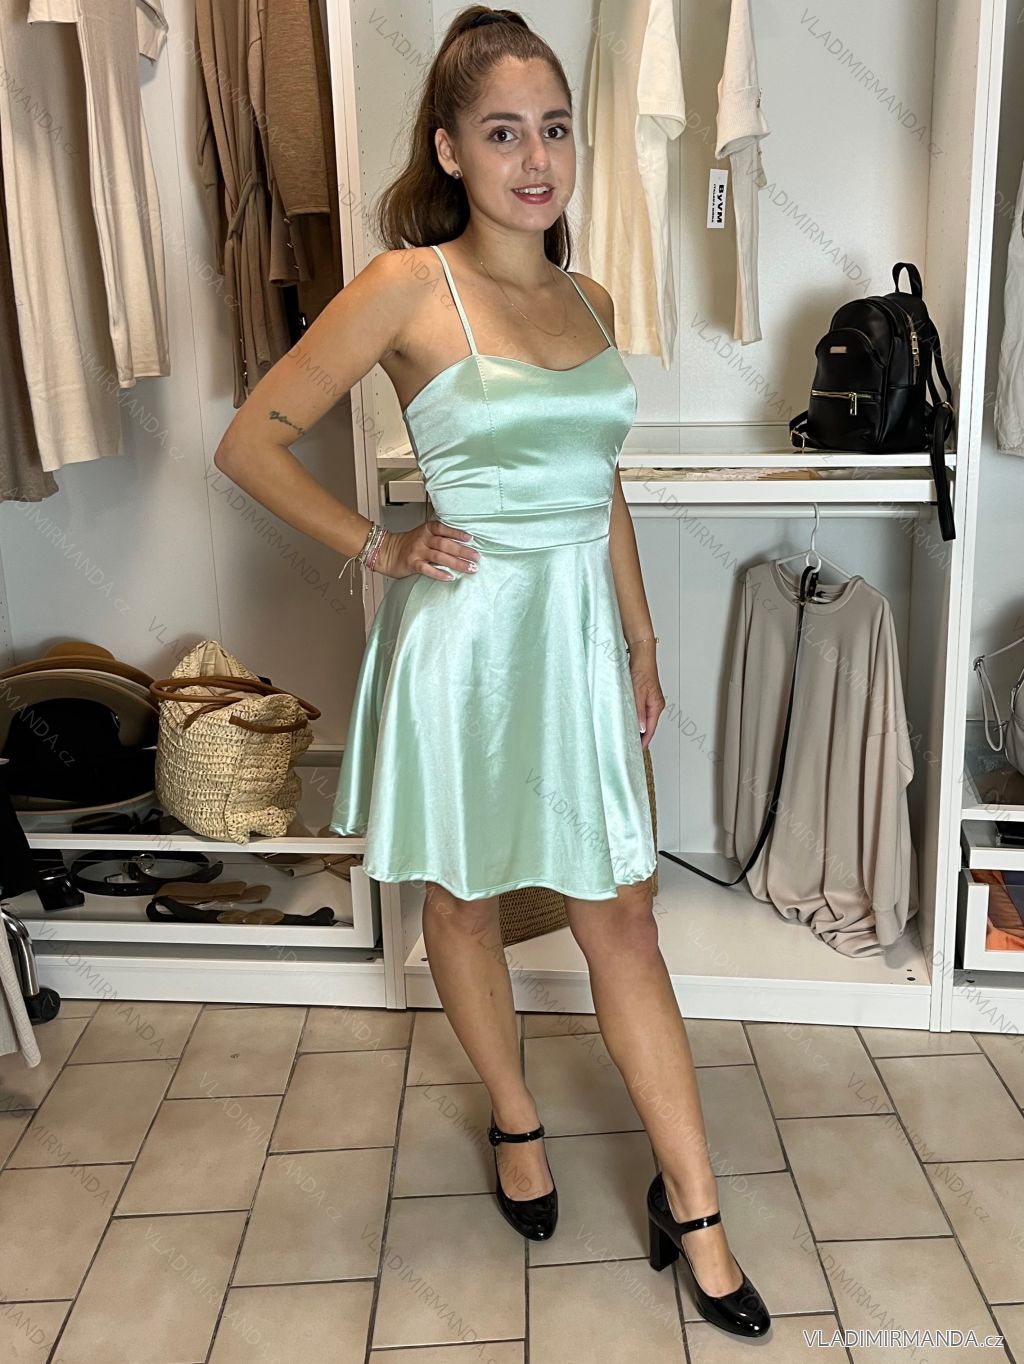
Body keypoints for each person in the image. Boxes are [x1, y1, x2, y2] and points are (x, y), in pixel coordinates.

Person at [213, 4, 769, 1340]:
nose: (537, 159)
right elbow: (249, 441)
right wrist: (379, 544)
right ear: (451, 149)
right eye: (504, 132)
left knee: (620, 915)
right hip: (464, 644)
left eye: (555, 129)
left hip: (575, 641)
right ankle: (516, 1119)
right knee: (462, 903)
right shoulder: (408, 285)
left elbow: (599, 481)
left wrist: (640, 638)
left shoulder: (592, 298)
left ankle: (696, 1210)